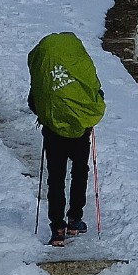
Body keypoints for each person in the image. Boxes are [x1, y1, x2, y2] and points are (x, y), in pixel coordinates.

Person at [26, 31, 106, 246]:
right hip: (80, 132)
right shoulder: (81, 69)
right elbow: (96, 94)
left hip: (53, 134)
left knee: (56, 178)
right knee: (80, 171)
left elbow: (34, 102)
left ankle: (57, 227)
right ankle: (75, 219)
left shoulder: (45, 72)